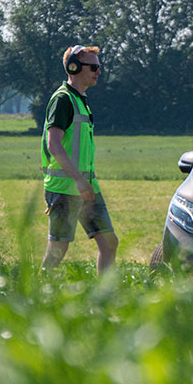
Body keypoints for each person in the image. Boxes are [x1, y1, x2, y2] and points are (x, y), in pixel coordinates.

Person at [40, 44, 118, 272]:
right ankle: (38, 292)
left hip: (86, 187)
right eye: (93, 67)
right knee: (58, 248)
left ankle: (103, 297)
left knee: (109, 242)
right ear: (73, 67)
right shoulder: (62, 100)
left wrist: (84, 183)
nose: (98, 72)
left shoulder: (80, 101)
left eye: (99, 67)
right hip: (66, 187)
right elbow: (53, 144)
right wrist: (78, 180)